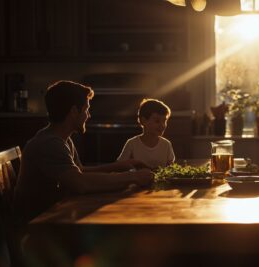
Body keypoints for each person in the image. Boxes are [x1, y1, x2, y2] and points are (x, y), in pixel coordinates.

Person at [13, 81, 153, 226]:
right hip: (37, 231)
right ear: (74, 111)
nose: (88, 115)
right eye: (86, 109)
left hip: (51, 219)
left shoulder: (61, 139)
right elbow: (81, 183)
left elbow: (79, 171)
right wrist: (133, 177)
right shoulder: (50, 144)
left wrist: (119, 166)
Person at [117, 98, 175, 169]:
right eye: (157, 121)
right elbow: (120, 166)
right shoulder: (132, 144)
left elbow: (171, 168)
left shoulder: (166, 145)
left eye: (164, 121)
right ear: (144, 121)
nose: (162, 125)